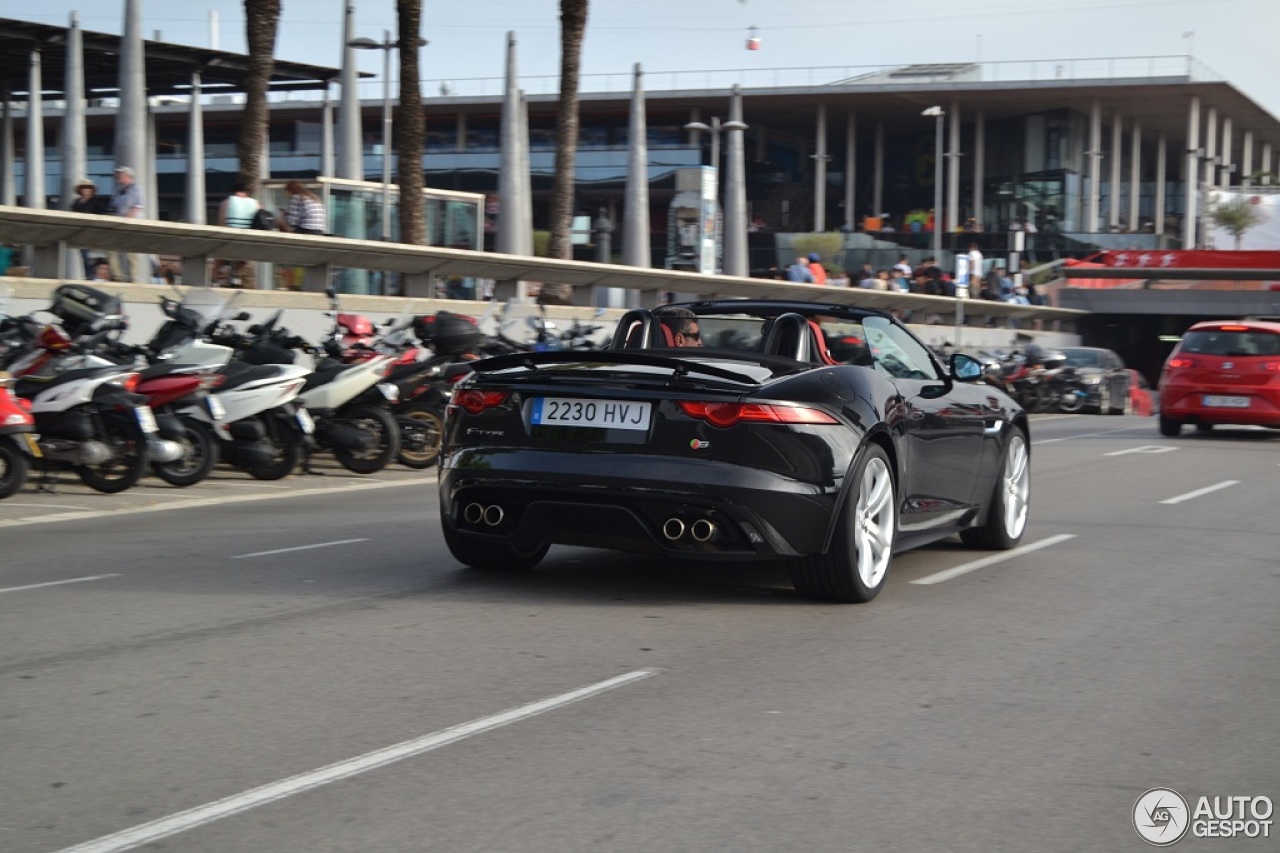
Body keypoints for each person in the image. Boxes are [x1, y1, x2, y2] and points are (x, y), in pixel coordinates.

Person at [217, 182, 261, 286]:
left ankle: (215, 278)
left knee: (218, 254)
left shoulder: (226, 202)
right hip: (246, 242)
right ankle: (236, 276)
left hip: (228, 241)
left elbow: (221, 223)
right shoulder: (256, 203)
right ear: (246, 193)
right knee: (244, 257)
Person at [108, 166, 145, 281]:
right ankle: (116, 276)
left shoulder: (137, 189)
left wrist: (126, 220)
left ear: (128, 176)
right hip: (118, 224)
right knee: (110, 248)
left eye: (120, 174)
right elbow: (114, 208)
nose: (118, 176)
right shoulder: (118, 190)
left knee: (131, 252)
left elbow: (137, 207)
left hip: (131, 224)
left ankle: (133, 278)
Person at [70, 178, 108, 278]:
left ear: (91, 190)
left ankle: (96, 276)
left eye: (87, 188)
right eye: (83, 188)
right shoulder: (76, 202)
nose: (85, 190)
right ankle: (88, 275)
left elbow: (103, 214)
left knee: (94, 257)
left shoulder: (96, 202)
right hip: (80, 233)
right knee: (85, 256)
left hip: (93, 233)